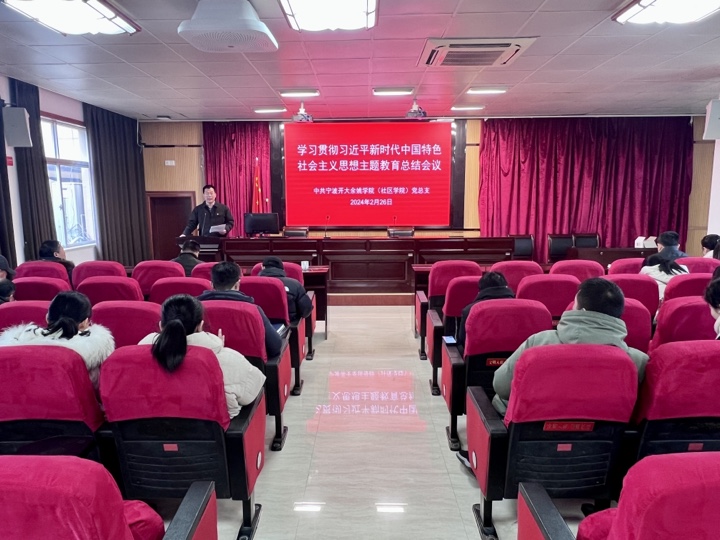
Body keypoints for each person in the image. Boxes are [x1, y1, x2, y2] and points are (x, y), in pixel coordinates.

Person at [492, 278, 648, 416]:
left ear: (582, 311)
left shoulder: (539, 342)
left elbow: (501, 386)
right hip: (607, 436)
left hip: (533, 431)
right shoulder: (638, 361)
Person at [139, 294, 265, 418]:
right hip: (211, 430)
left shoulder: (138, 355)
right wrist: (219, 350)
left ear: (161, 326)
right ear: (200, 325)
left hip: (148, 428)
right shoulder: (228, 359)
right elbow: (254, 390)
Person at [0, 291, 114, 388]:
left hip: (14, 406)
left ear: (47, 317)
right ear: (85, 322)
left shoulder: (14, 342)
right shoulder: (95, 348)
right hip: (70, 407)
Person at [197, 261, 283, 358]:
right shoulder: (253, 310)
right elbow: (275, 346)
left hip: (204, 362)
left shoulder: (195, 308)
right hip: (251, 365)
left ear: (212, 285)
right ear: (237, 284)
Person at [457, 271, 515, 349]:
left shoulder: (470, 311)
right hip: (518, 355)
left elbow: (463, 341)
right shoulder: (523, 308)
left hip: (478, 356)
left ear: (480, 291)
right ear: (506, 287)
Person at [258, 256, 313, 324]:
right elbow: (306, 310)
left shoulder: (251, 284)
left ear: (262, 267)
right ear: (282, 269)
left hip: (257, 326)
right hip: (289, 326)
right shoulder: (294, 284)